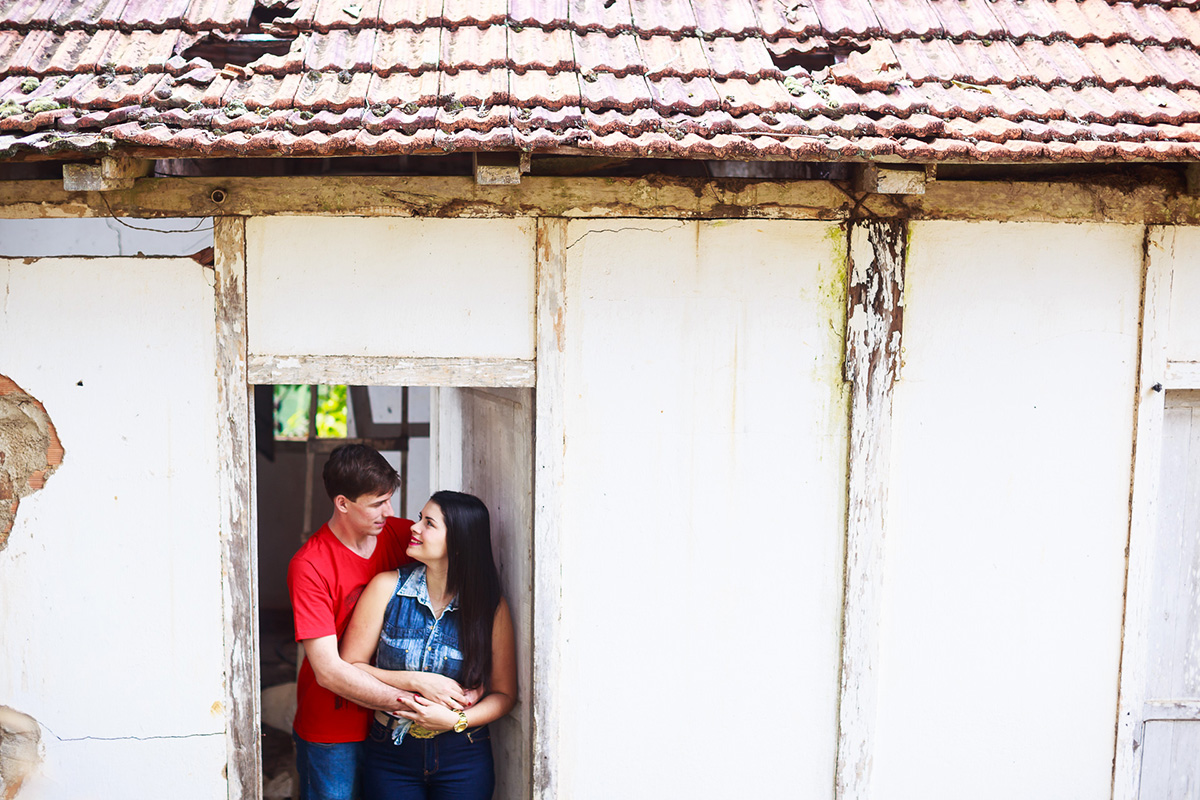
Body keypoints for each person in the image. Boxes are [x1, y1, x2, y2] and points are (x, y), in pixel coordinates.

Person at [288, 446, 474, 800]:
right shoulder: (309, 565)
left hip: (392, 733)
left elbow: (457, 549)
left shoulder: (402, 536)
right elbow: (328, 671)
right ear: (343, 503)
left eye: (390, 500)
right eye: (377, 504)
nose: (389, 512)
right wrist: (417, 702)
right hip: (334, 730)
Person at [341, 490, 517, 800]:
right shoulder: (386, 587)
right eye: (420, 519)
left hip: (464, 754)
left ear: (459, 543)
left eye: (428, 523)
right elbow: (350, 666)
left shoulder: (491, 608)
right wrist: (416, 680)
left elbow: (504, 695)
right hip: (390, 752)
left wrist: (456, 720)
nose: (414, 527)